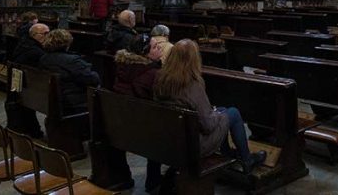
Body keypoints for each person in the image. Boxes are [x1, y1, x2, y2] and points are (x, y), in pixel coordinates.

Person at [154, 40, 266, 174]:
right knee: (233, 113)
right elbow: (208, 125)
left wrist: (216, 112)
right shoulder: (191, 84)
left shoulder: (160, 79)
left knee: (223, 110)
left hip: (172, 139)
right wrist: (215, 114)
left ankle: (227, 153)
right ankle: (247, 160)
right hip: (195, 144)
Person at [113, 37, 164, 192]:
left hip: (120, 122)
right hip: (145, 128)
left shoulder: (123, 67)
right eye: (155, 47)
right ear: (145, 53)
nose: (160, 48)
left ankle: (123, 176)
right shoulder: (152, 73)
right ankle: (155, 180)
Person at [38, 29, 100, 114]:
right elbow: (92, 79)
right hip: (73, 101)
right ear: (67, 43)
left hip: (54, 98)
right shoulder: (72, 61)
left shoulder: (44, 58)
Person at [6, 22, 49, 137]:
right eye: (44, 34)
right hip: (28, 87)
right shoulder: (36, 52)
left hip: (20, 84)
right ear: (34, 35)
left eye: (48, 33)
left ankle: (30, 129)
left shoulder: (24, 44)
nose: (47, 36)